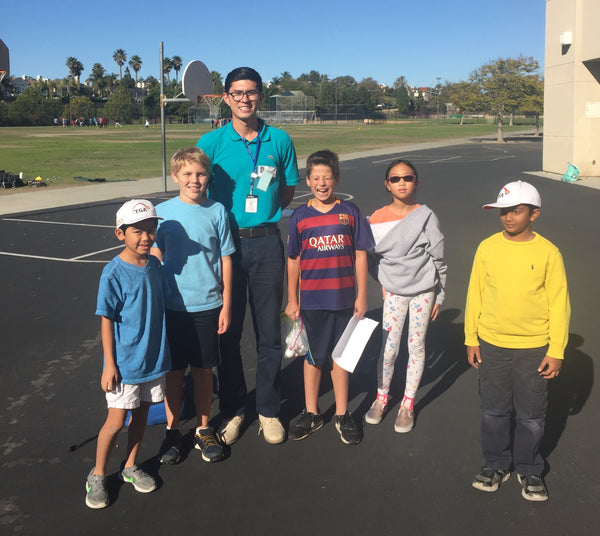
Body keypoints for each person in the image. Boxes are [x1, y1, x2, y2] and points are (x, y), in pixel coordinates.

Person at [197, 67, 300, 445]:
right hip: (225, 247)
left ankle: (268, 409)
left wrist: (260, 214)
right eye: (237, 92)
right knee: (227, 332)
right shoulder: (211, 142)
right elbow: (196, 189)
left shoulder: (280, 139)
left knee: (269, 334)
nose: (245, 98)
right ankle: (236, 409)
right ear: (226, 97)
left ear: (261, 95)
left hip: (266, 242)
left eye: (252, 92)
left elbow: (287, 191)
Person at [464, 180, 570, 502]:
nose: (508, 217)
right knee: (493, 411)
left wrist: (557, 349)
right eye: (503, 211)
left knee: (531, 414)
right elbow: (475, 294)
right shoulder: (487, 247)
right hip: (493, 344)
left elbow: (559, 302)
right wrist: (471, 337)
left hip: (534, 347)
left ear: (534, 214)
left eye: (516, 210)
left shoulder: (548, 252)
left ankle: (529, 468)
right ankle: (496, 464)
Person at [152, 147, 235, 465]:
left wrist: (226, 304)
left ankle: (203, 427)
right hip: (172, 307)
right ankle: (172, 430)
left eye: (200, 173)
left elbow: (226, 259)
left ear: (208, 176)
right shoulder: (162, 213)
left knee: (203, 370)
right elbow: (155, 255)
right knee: (174, 373)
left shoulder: (217, 211)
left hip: (208, 305)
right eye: (187, 174)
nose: (194, 179)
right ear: (175, 176)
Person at [85, 200, 170, 509]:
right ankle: (98, 474)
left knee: (143, 414)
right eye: (138, 231)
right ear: (120, 234)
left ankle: (130, 466)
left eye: (151, 229)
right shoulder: (113, 273)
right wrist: (109, 364)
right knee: (116, 420)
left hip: (153, 359)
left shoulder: (155, 265)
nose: (146, 237)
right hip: (125, 364)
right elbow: (106, 320)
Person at [285, 150, 374, 445]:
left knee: (341, 359)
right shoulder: (300, 216)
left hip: (344, 300)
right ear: (308, 181)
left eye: (327, 178)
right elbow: (294, 260)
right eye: (316, 178)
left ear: (336, 179)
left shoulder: (349, 213)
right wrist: (292, 299)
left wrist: (362, 295)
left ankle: (341, 413)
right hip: (311, 301)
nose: (322, 184)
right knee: (313, 358)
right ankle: (311, 412)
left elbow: (360, 255)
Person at [364, 159, 447, 433]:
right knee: (388, 349)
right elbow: (370, 257)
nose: (402, 183)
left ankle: (407, 404)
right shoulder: (375, 219)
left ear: (416, 181)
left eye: (408, 177)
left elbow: (439, 260)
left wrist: (440, 296)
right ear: (387, 184)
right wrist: (383, 283)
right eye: (396, 178)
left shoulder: (426, 215)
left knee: (416, 347)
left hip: (423, 291)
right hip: (395, 294)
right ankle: (382, 397)